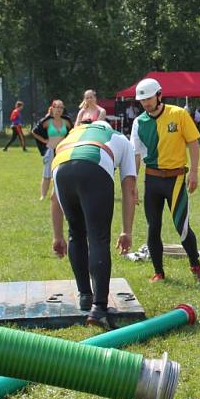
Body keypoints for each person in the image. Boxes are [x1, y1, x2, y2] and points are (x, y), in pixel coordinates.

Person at [51, 120, 137, 329]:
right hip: (94, 164)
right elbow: (130, 190)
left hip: (61, 168)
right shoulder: (120, 138)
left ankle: (85, 296)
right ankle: (99, 308)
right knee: (98, 238)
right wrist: (126, 231)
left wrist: (57, 236)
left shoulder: (70, 135)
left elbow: (54, 198)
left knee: (76, 233)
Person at [130, 78, 200, 283]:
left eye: (148, 98)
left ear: (159, 95)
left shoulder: (179, 114)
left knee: (181, 226)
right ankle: (159, 272)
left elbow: (193, 143)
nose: (145, 103)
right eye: (142, 100)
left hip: (175, 179)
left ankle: (196, 266)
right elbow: (136, 155)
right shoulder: (138, 122)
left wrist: (194, 172)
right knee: (153, 227)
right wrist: (132, 185)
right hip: (152, 180)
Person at [32, 100, 73, 201]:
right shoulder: (47, 121)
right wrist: (44, 140)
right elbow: (34, 131)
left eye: (61, 107)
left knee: (61, 173)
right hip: (50, 150)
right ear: (52, 108)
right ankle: (43, 195)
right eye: (57, 107)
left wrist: (68, 141)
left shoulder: (66, 122)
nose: (59, 109)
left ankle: (57, 194)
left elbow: (73, 132)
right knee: (47, 174)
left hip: (62, 151)